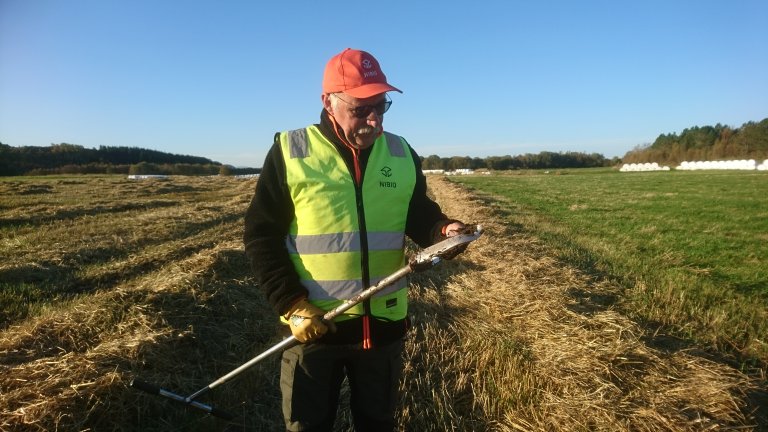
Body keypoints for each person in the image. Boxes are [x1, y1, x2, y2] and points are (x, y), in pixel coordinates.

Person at [243, 48, 466, 432]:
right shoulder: (291, 152)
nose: (373, 119)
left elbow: (415, 211)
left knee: (377, 423)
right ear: (328, 102)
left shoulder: (400, 152)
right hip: (315, 326)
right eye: (361, 108)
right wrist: (291, 303)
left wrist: (441, 230)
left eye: (381, 106)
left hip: (382, 326)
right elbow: (260, 234)